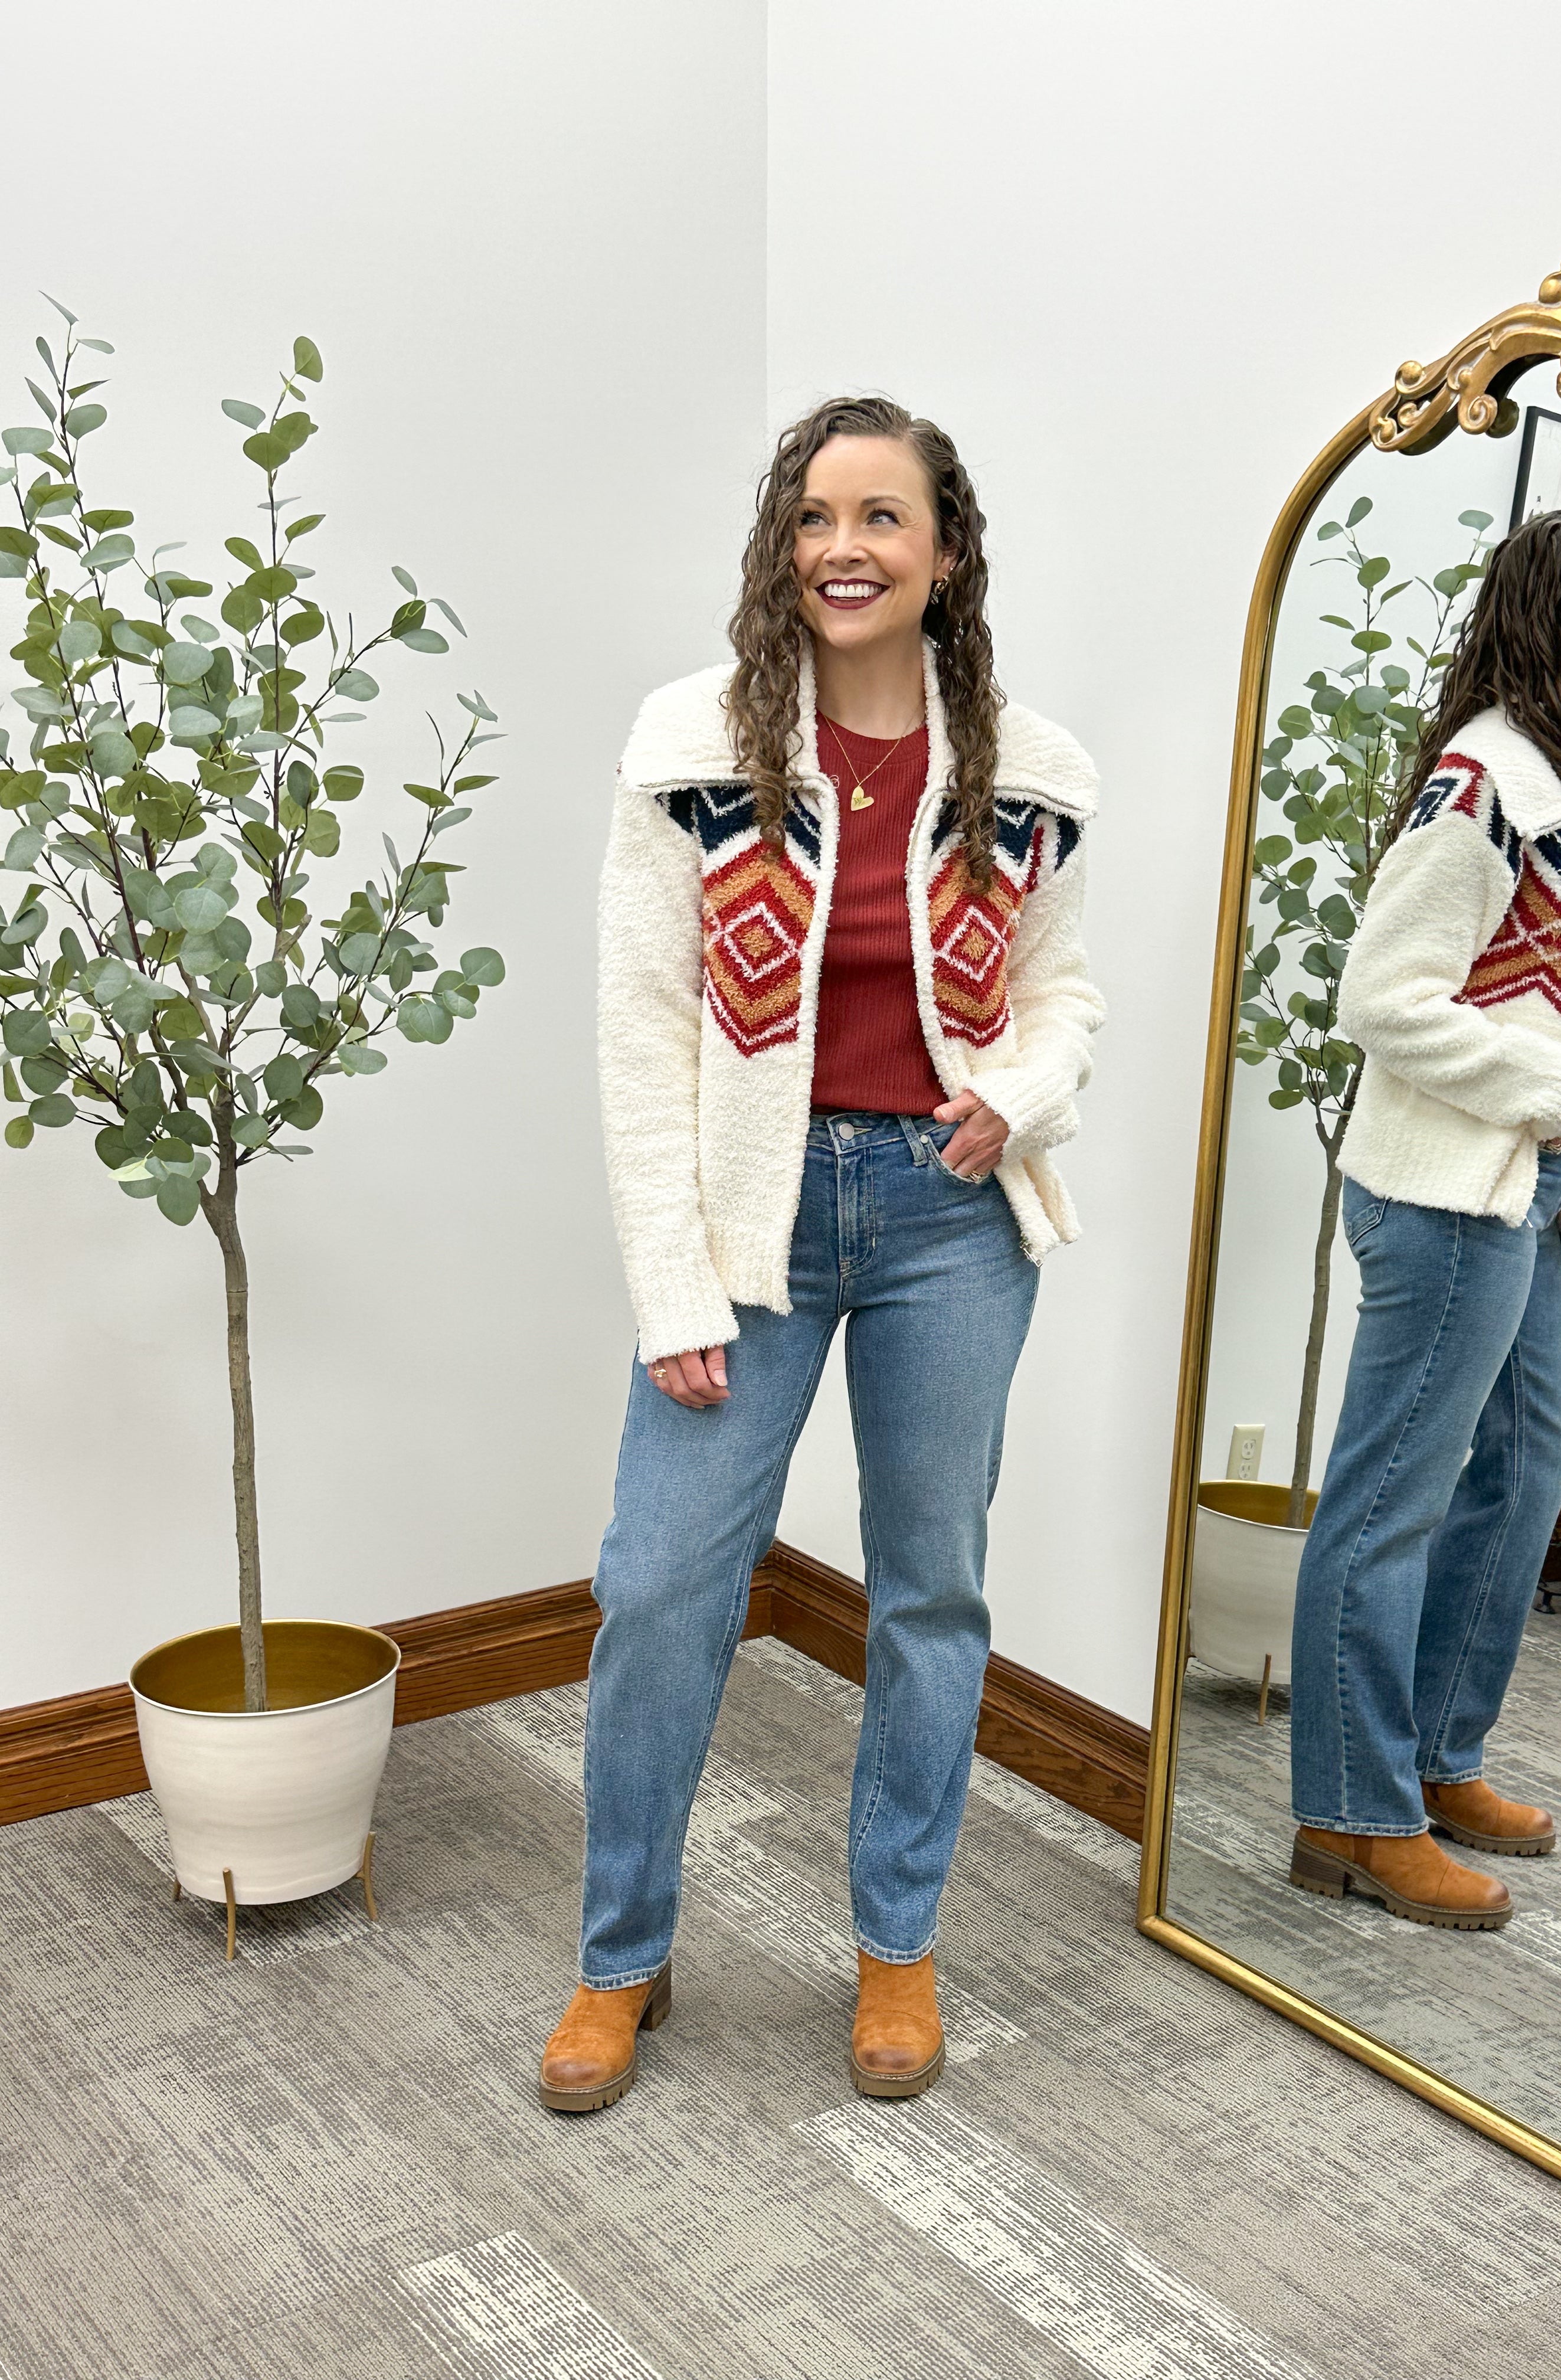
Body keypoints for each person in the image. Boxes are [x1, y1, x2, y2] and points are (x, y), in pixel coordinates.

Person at [538, 397, 1104, 2110]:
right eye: (814, 517)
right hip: (750, 1216)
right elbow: (644, 1032)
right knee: (659, 1590)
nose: (843, 547)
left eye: (882, 517)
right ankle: (618, 1961)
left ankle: (898, 1952)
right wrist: (671, 1285)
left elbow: (1066, 992)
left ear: (946, 555)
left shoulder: (1039, 773)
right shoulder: (690, 742)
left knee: (929, 1592)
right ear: (784, 548)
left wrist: (1021, 1087)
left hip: (950, 1216)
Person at [1288, 508, 1561, 1929]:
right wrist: (1555, 1091)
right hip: (1444, 1200)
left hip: (1520, 1205)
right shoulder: (1482, 786)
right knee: (1389, 1507)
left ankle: (1438, 1756)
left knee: (1520, 1477)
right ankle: (1347, 1810)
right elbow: (1384, 1001)